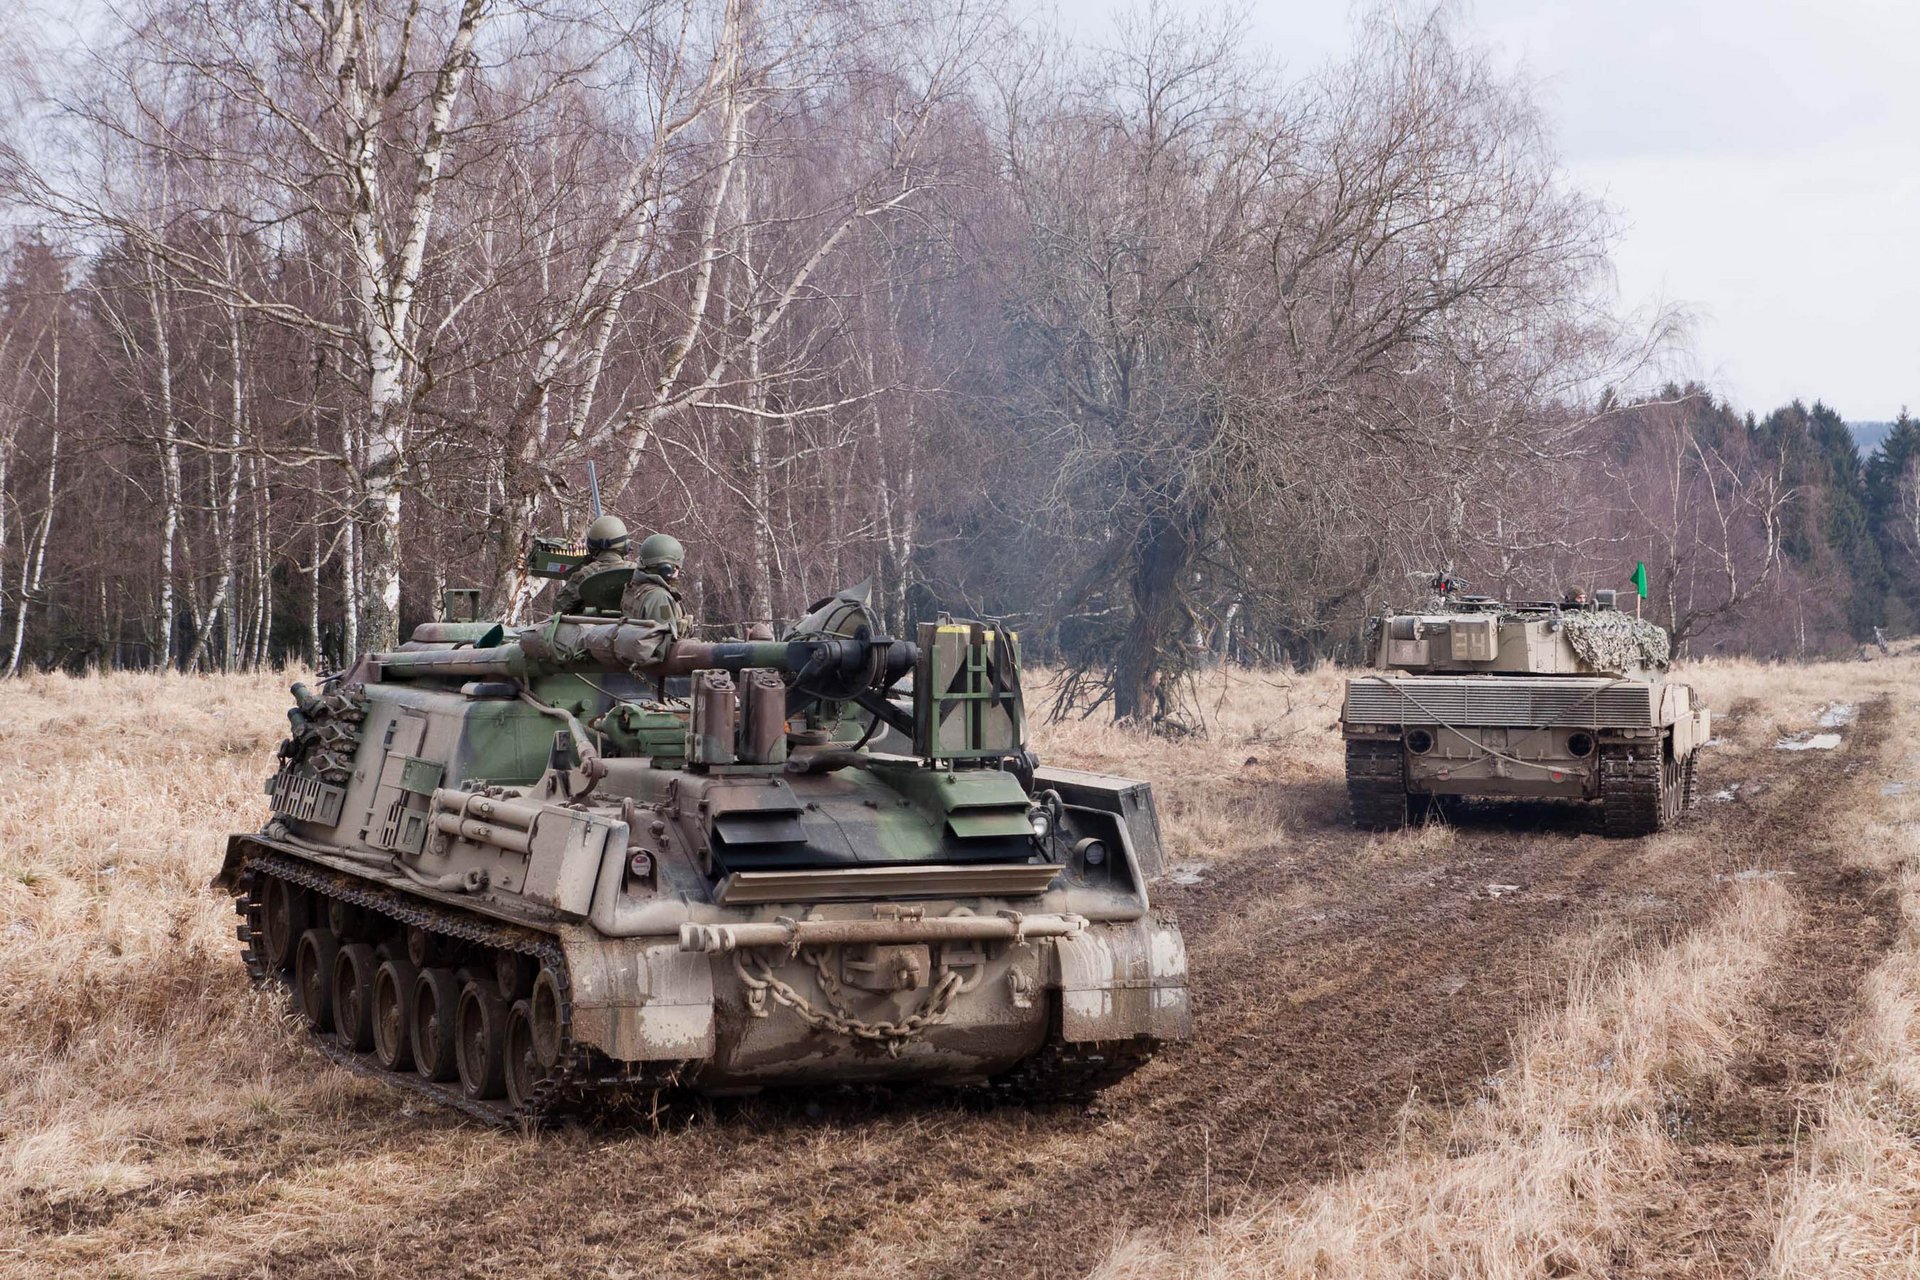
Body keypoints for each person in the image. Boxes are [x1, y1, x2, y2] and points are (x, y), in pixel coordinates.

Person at [553, 514, 634, 614]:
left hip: (591, 627)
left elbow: (559, 607)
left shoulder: (583, 575)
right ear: (626, 545)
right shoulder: (636, 572)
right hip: (631, 626)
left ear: (591, 546)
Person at [620, 532, 691, 636]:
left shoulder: (634, 587)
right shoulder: (659, 598)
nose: (679, 572)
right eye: (676, 567)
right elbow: (665, 644)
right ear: (666, 570)